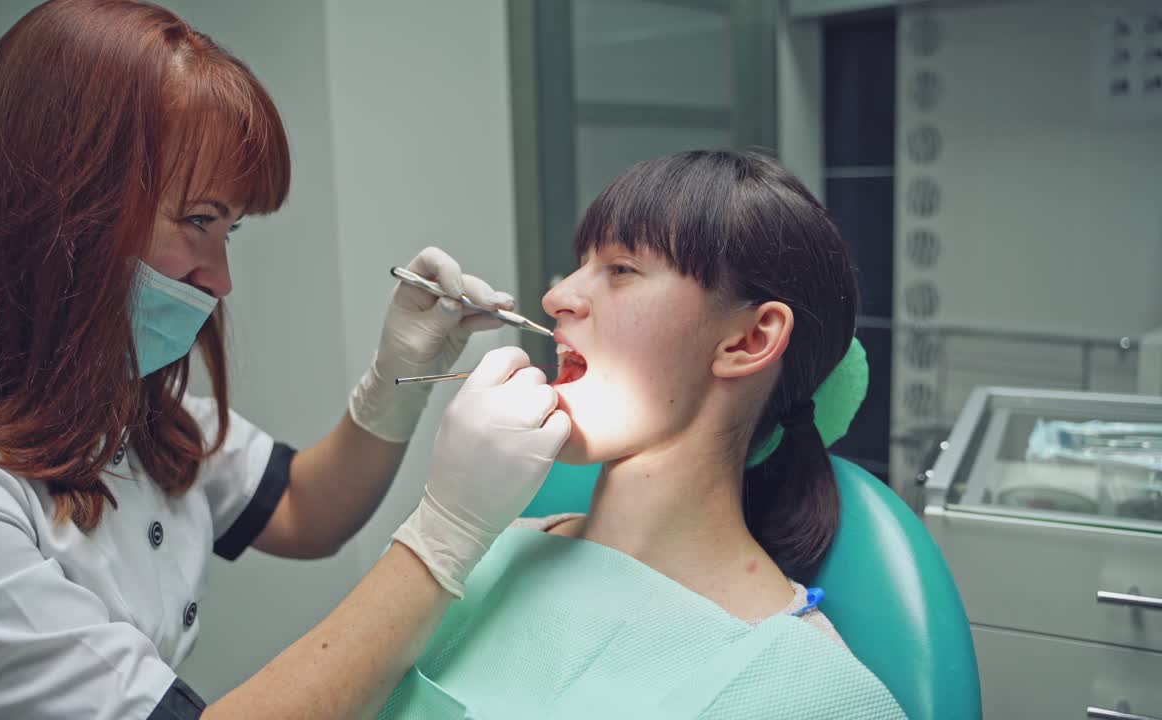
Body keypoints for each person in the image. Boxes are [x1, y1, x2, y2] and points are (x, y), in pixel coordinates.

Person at [0, 1, 568, 718]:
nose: (220, 279)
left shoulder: (114, 408)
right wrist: (444, 539)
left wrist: (397, 375)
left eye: (228, 232)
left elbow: (306, 508)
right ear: (57, 204)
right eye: (198, 221)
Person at [377, 151, 905, 719]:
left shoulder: (812, 695)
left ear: (749, 340)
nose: (555, 299)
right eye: (580, 264)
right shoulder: (462, 554)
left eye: (622, 269)